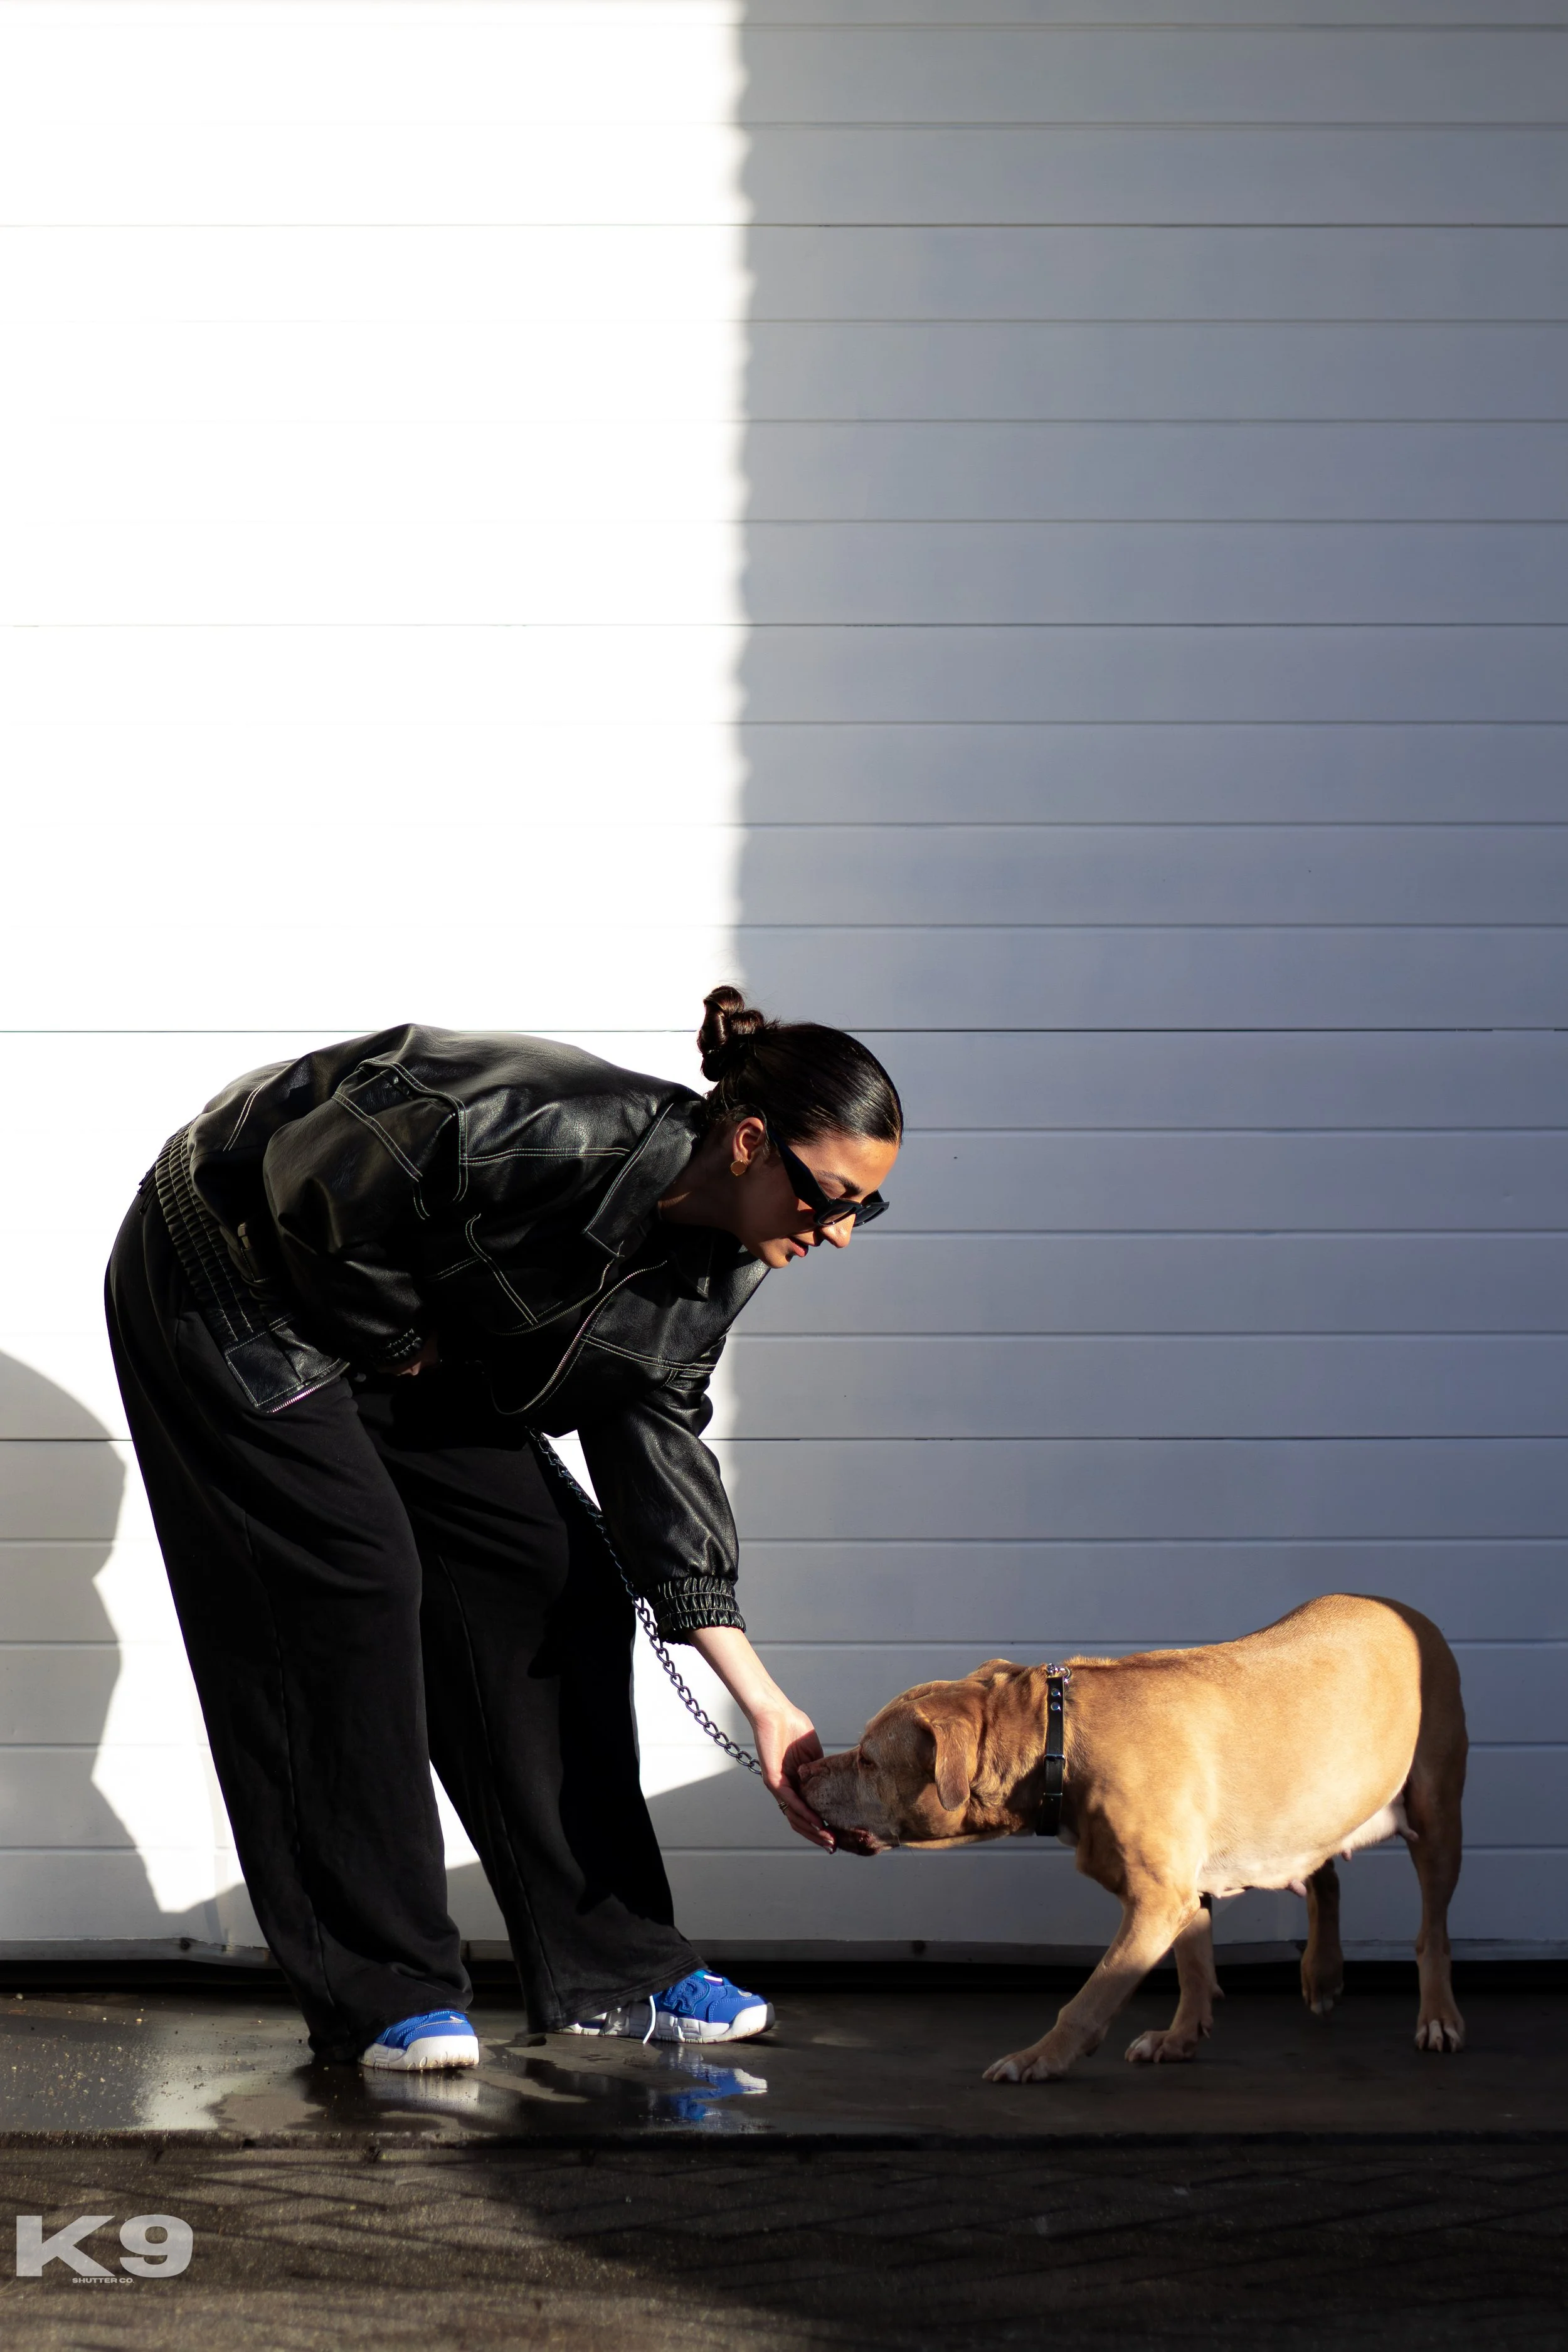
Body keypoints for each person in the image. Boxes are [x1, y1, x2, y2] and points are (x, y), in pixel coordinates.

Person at [104, 987, 901, 2070]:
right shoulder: (542, 1118)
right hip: (226, 1269)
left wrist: (761, 1698)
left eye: (868, 1209)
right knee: (352, 1577)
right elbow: (313, 1183)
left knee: (554, 1572)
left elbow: (656, 1449)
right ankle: (377, 1988)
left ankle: (613, 1973)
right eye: (829, 1196)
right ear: (752, 1142)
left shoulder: (724, 1264)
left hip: (393, 1318)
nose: (841, 1231)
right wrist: (396, 1344)